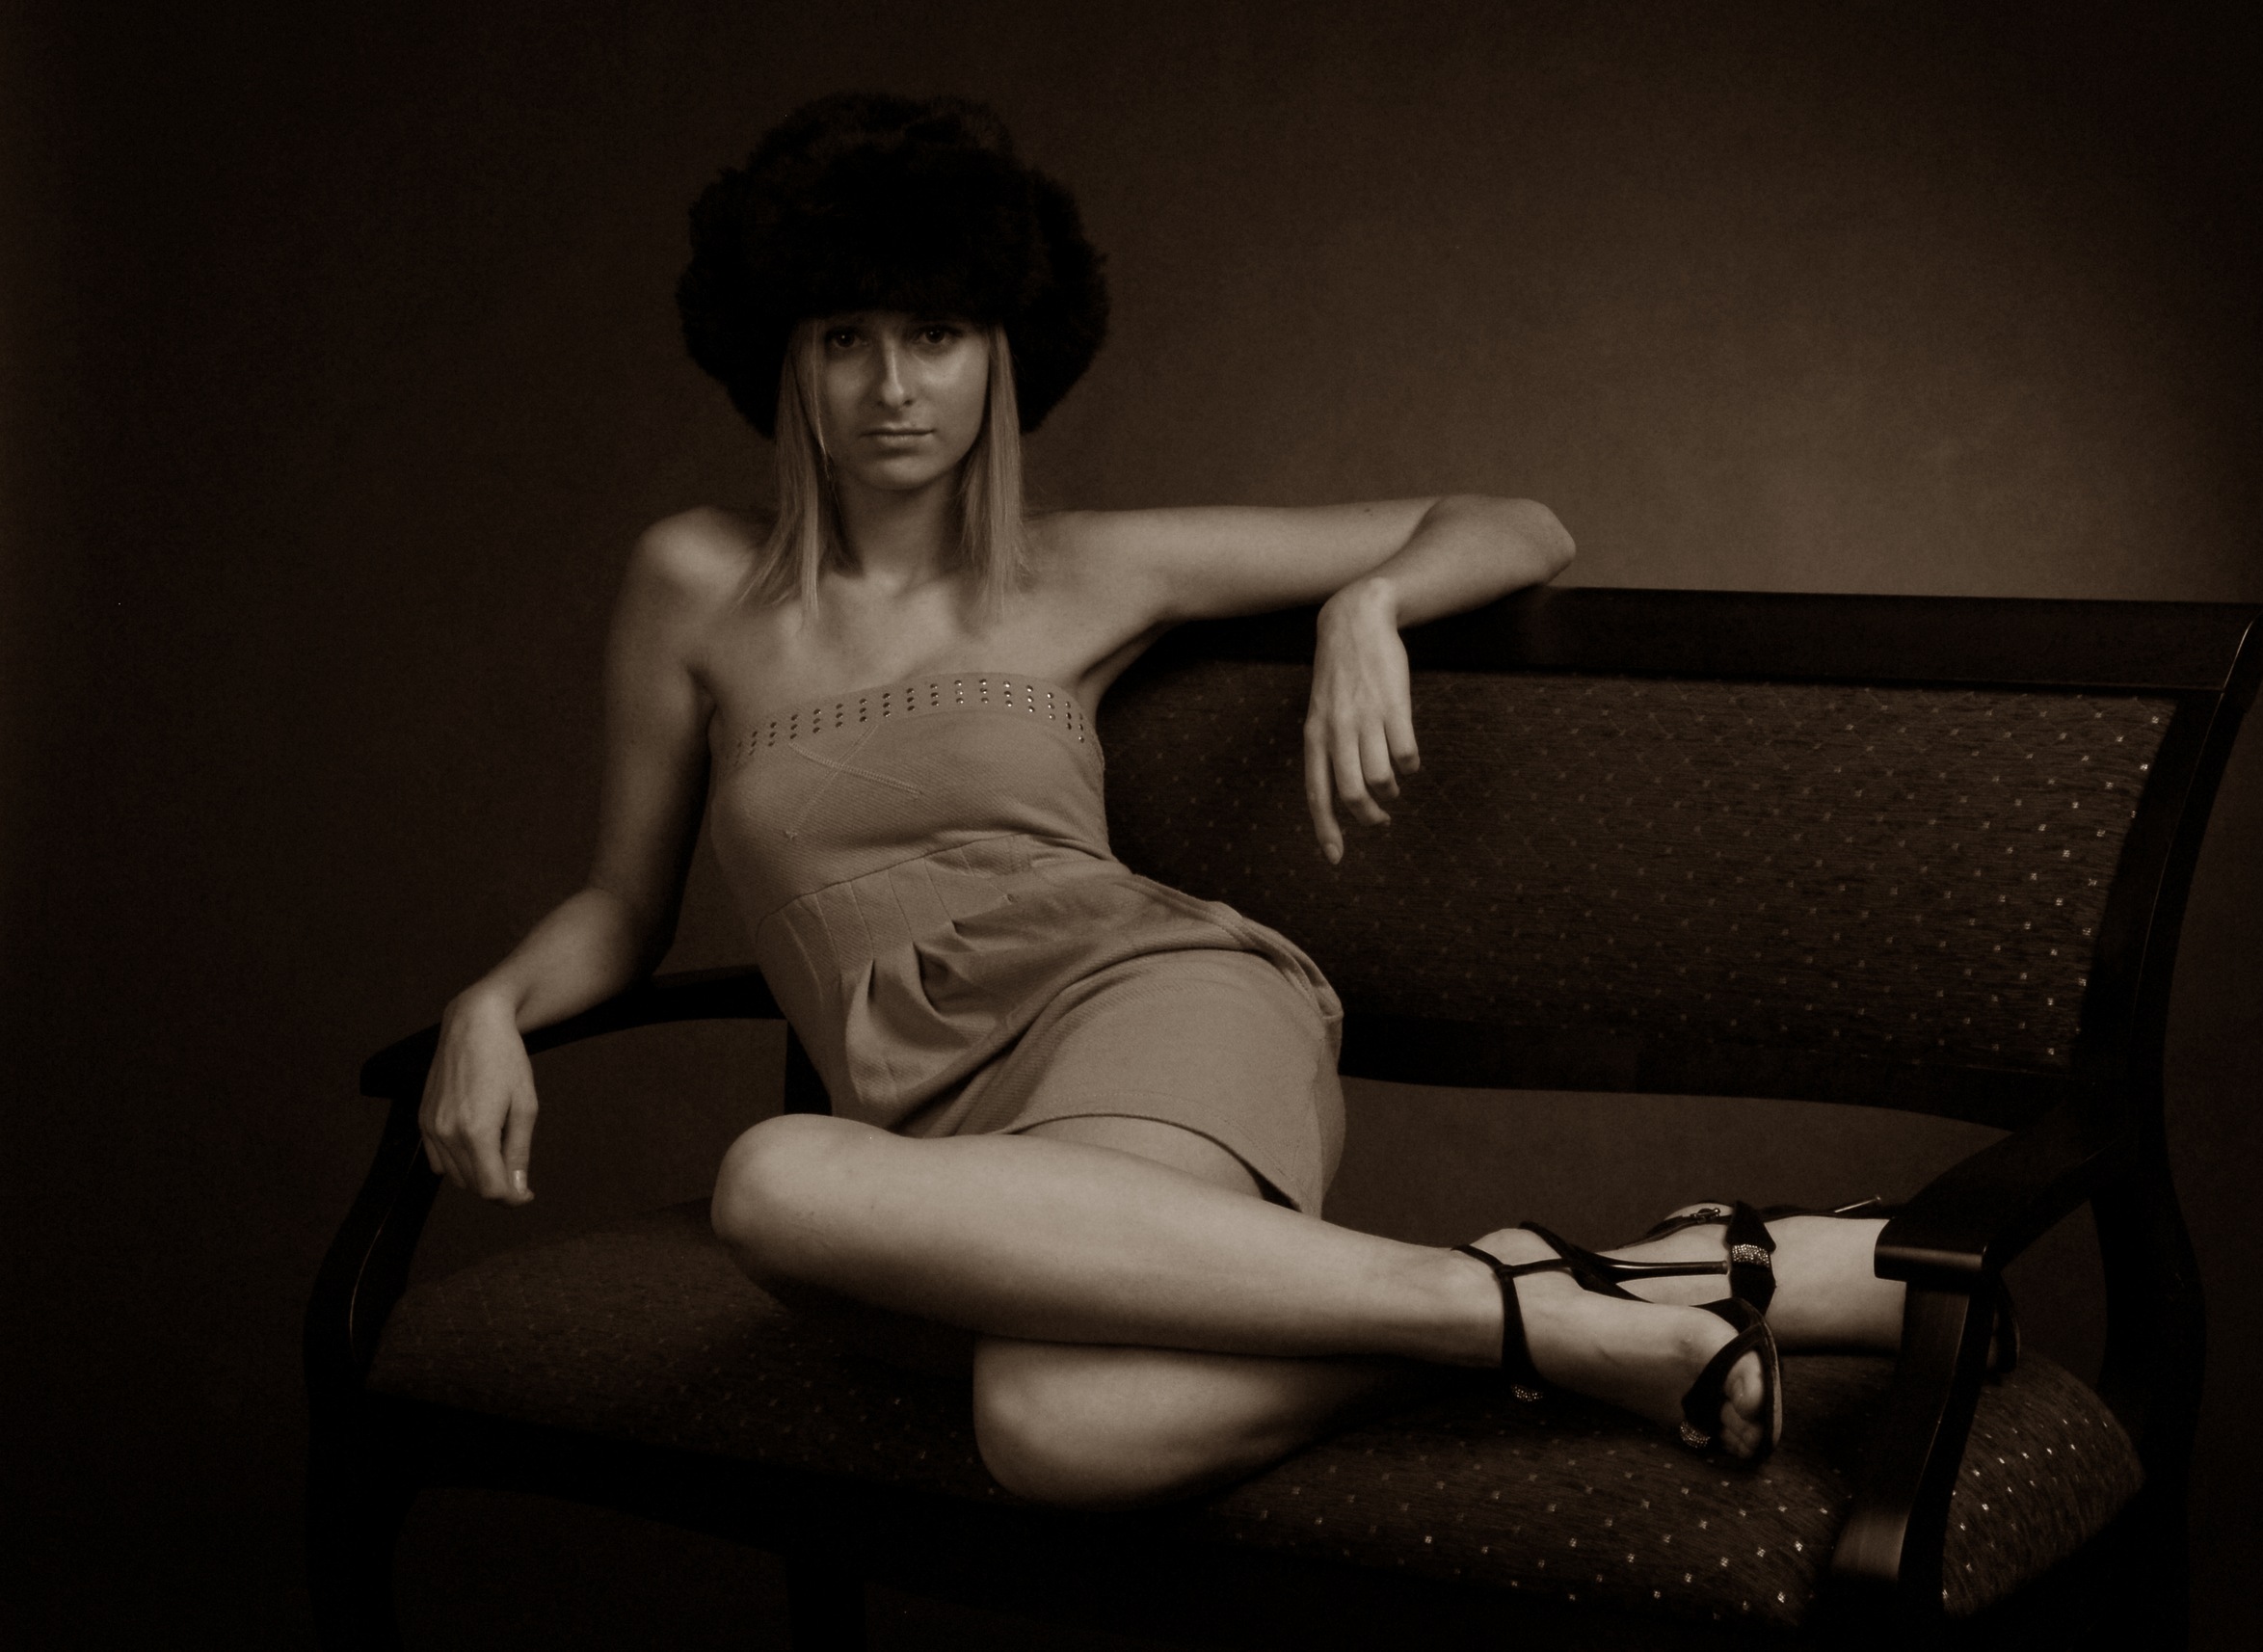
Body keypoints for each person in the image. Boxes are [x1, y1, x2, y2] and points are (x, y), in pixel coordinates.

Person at [414, 93, 1908, 1511]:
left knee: (789, 1190)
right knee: (1057, 1419)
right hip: (919, 1132)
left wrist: (1369, 605)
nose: (892, 387)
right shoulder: (691, 579)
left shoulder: (1088, 569)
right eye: (844, 337)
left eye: (935, 334)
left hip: (1138, 1008)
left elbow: (1519, 524)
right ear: (783, 359)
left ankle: (1539, 1302)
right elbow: (621, 907)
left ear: (1002, 353)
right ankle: (1600, 1279)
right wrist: (492, 1004)